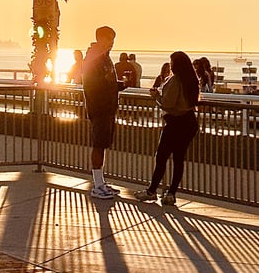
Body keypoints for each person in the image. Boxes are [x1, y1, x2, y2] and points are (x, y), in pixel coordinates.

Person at [134, 50, 200, 207]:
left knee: (161, 157)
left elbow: (168, 104)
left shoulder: (176, 80)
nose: (170, 65)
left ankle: (151, 191)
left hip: (175, 122)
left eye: (171, 62)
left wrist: (156, 96)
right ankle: (171, 193)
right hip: (189, 122)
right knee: (178, 159)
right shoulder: (192, 80)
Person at [81, 25, 124, 199]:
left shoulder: (104, 58)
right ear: (101, 39)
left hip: (107, 107)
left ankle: (101, 182)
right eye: (109, 39)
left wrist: (119, 85)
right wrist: (116, 85)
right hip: (99, 107)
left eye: (113, 39)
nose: (112, 43)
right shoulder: (94, 58)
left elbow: (105, 83)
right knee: (98, 144)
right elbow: (94, 85)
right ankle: (97, 185)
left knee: (103, 144)